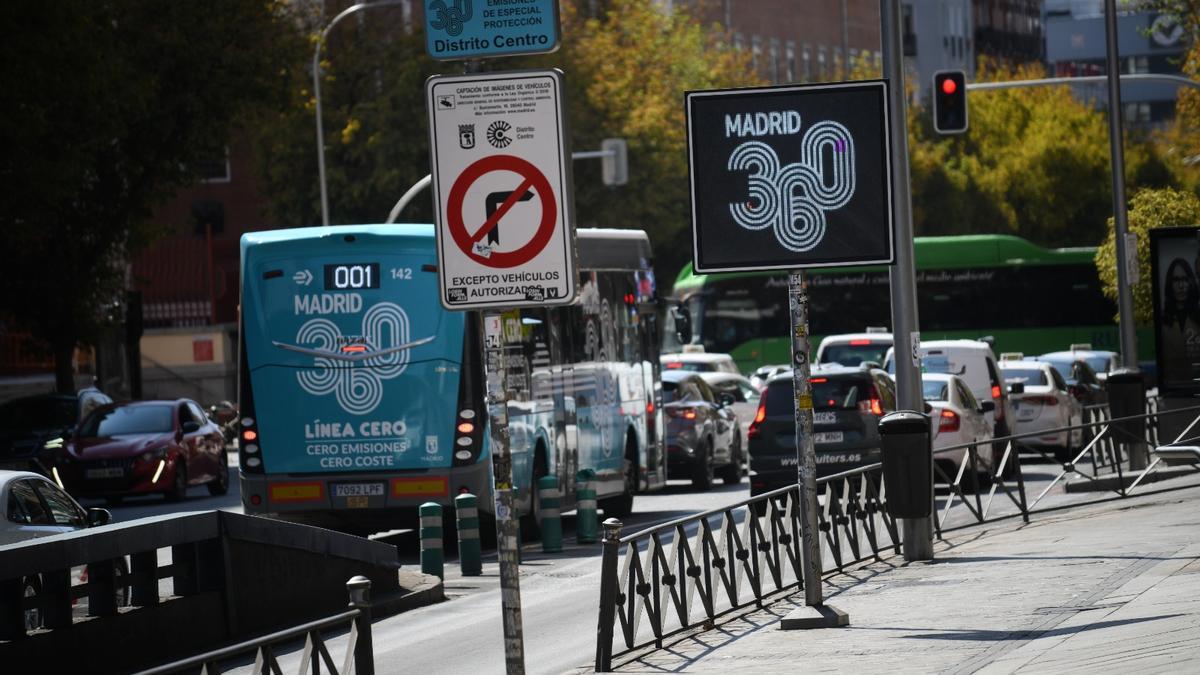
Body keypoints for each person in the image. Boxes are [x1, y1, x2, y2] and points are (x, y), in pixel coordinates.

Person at [1160, 257, 1200, 385]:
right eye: (1176, 280)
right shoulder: (1163, 320)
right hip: (1175, 387)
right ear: (1169, 285)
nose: (1181, 286)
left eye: (1184, 279)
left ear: (1190, 282)